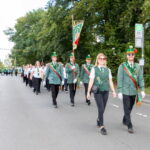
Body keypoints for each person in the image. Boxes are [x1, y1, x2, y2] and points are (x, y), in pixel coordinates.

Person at [117, 46, 145, 134]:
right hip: (125, 91)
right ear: (126, 56)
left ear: (134, 55)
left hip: (133, 91)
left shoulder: (137, 66)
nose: (130, 56)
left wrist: (143, 89)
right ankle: (130, 125)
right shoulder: (122, 66)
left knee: (130, 107)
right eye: (129, 54)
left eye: (132, 54)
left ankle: (125, 119)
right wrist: (120, 91)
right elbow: (119, 79)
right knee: (126, 107)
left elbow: (140, 78)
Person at [87, 53, 116, 135]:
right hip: (97, 91)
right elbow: (91, 81)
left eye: (104, 59)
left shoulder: (108, 70)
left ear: (105, 60)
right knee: (101, 108)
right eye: (100, 58)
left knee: (103, 109)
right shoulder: (94, 69)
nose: (102, 60)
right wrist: (88, 92)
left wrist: (113, 91)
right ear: (97, 60)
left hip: (105, 91)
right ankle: (102, 126)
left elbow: (110, 81)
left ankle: (98, 119)